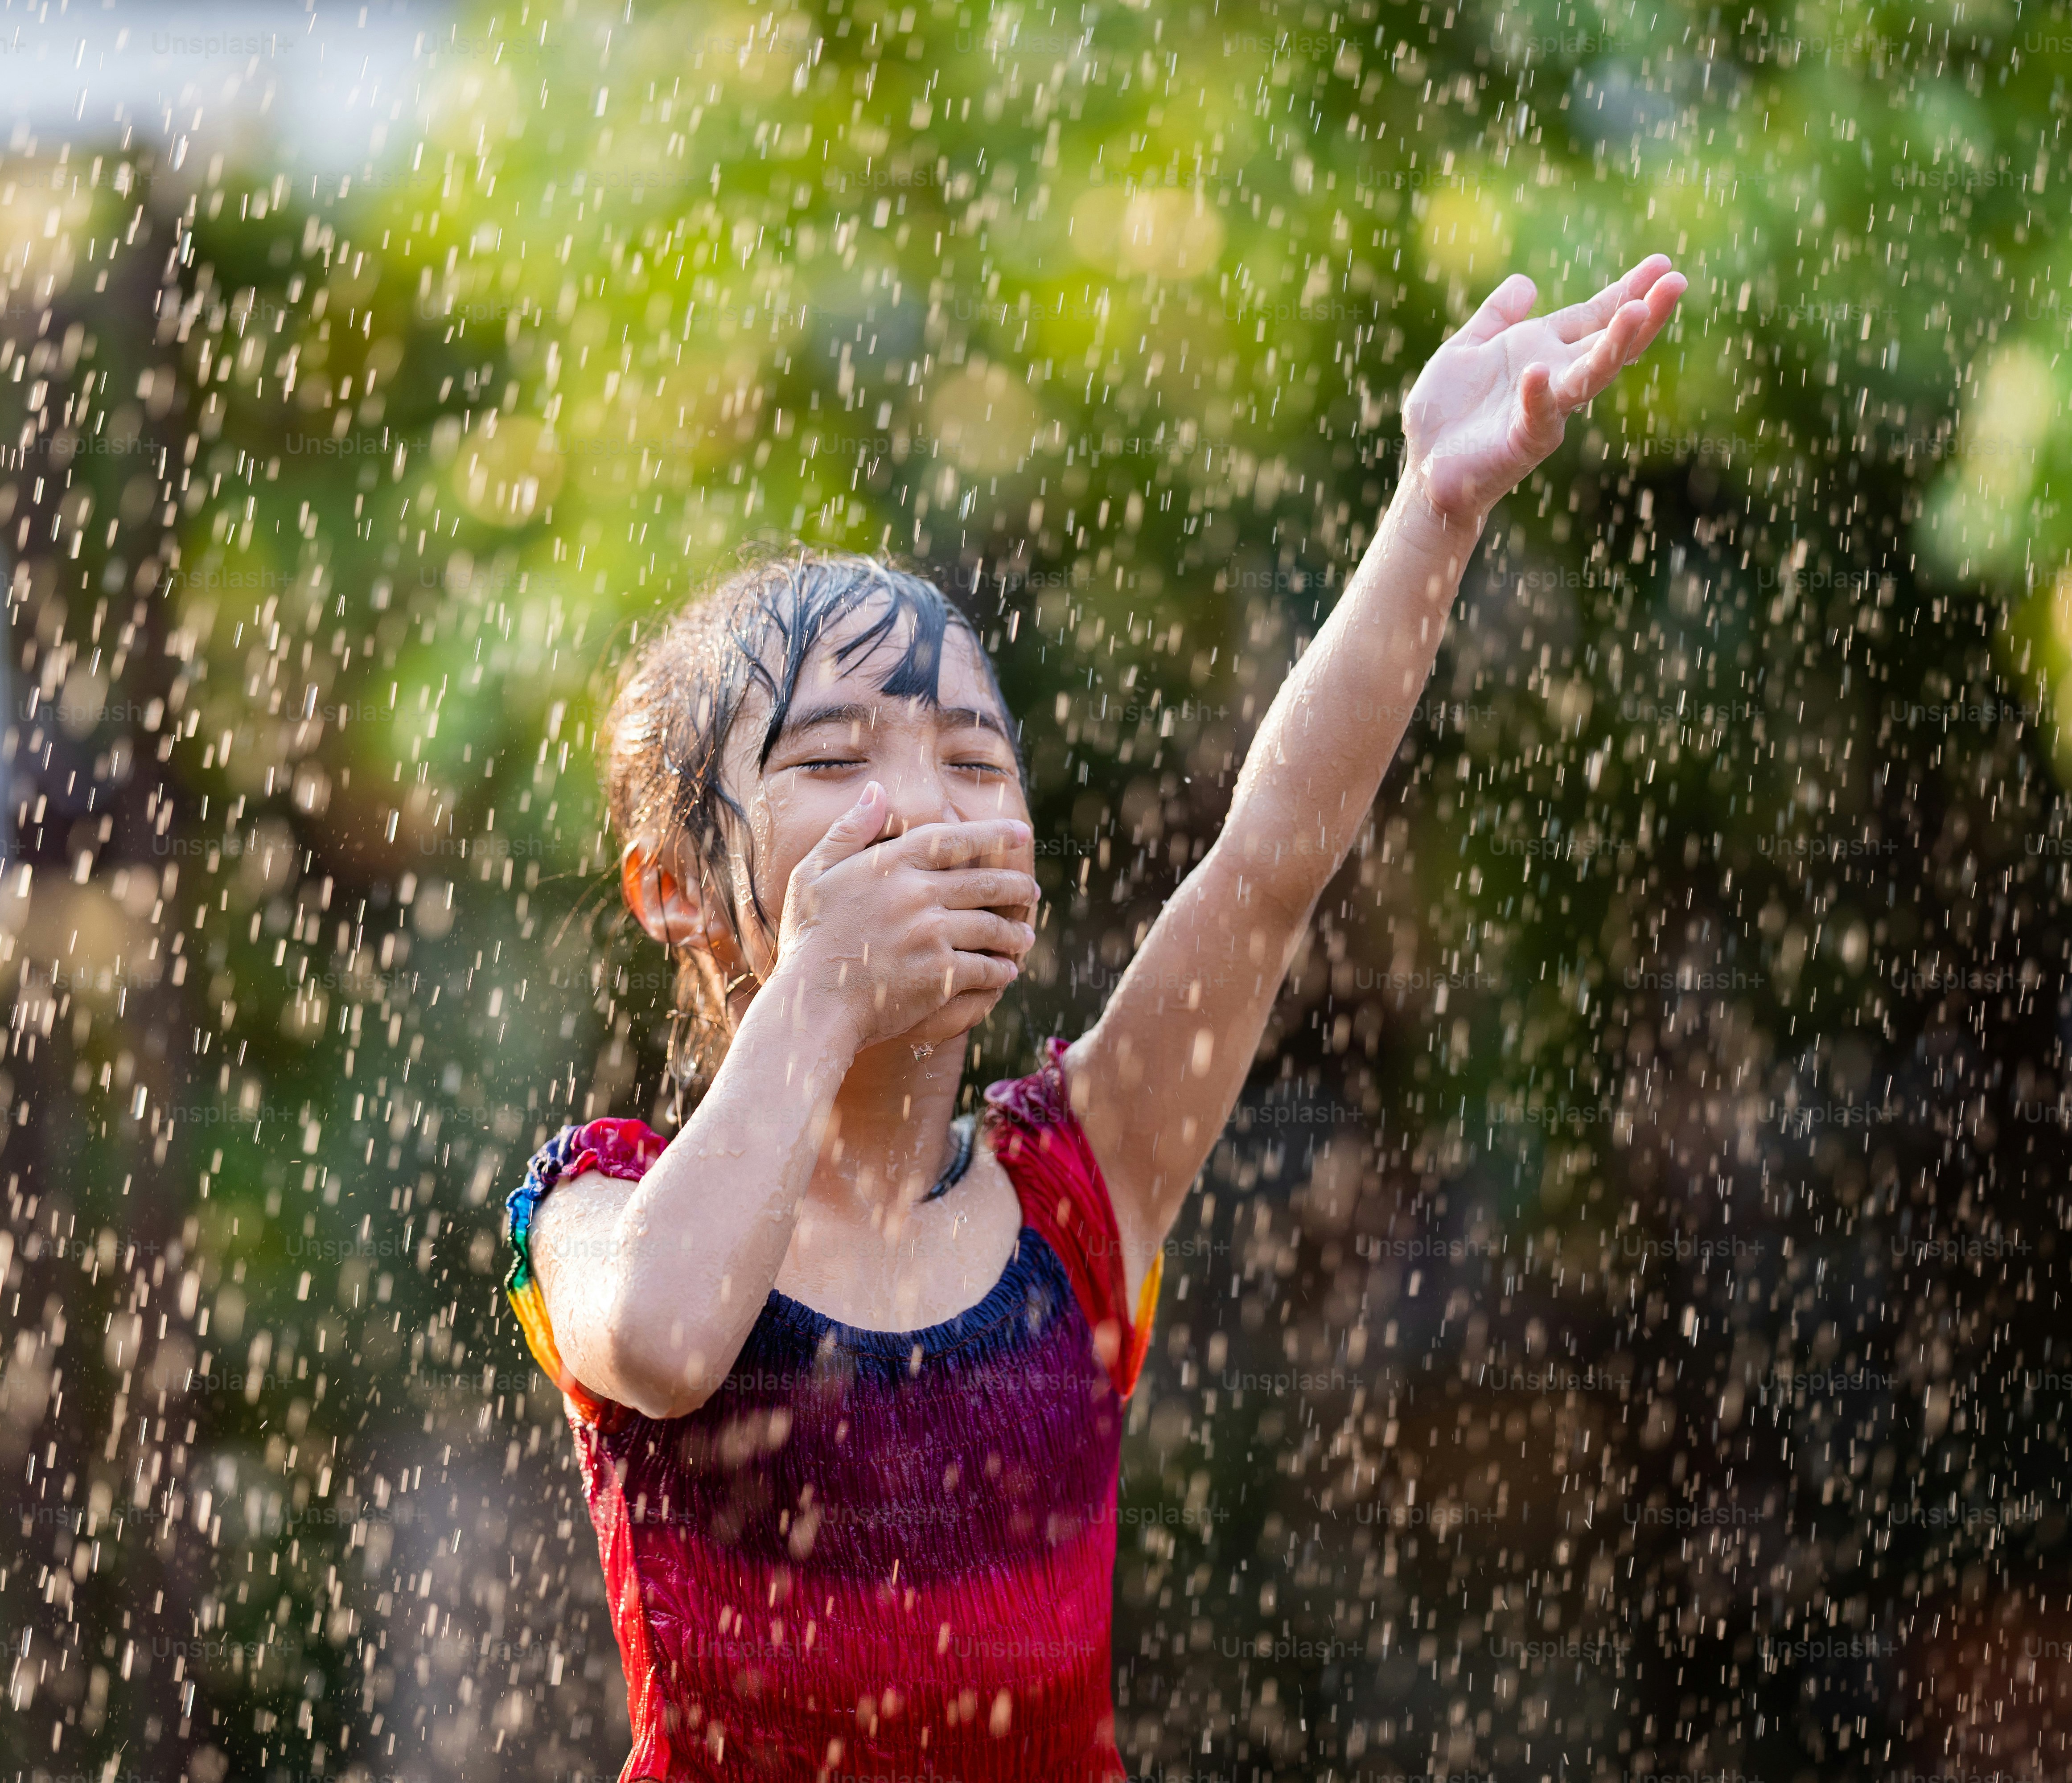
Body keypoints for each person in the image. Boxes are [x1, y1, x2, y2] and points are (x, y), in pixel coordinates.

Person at [500, 255, 1687, 1780]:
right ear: (671, 889)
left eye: (974, 764)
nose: (918, 809)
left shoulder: (1079, 1185)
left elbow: (1268, 864)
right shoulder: (598, 1212)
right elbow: (665, 1342)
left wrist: (1432, 515)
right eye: (833, 759)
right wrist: (823, 988)